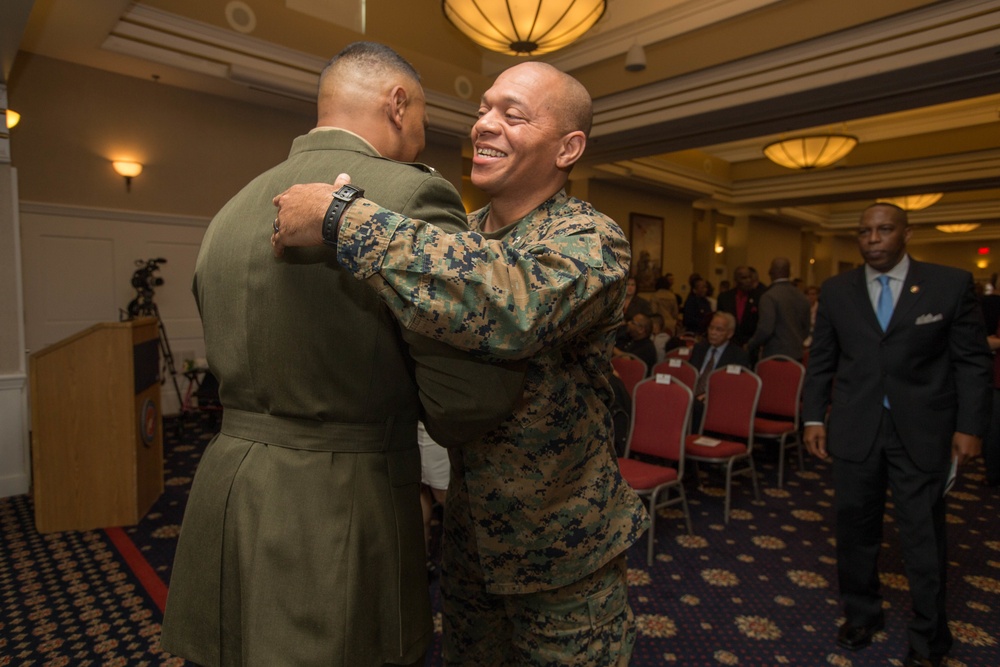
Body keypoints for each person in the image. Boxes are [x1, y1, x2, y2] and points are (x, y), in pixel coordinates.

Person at [270, 61, 647, 666]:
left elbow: (511, 307)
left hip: (564, 551)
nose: (485, 125)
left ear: (568, 148)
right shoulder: (456, 233)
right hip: (470, 541)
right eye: (483, 109)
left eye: (513, 114)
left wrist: (343, 218)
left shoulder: (592, 239)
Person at [160, 42, 524, 667]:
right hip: (341, 498)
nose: (421, 139)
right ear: (398, 104)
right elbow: (465, 400)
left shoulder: (232, 208)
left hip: (225, 487)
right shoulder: (411, 198)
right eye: (424, 122)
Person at [802, 202, 991, 667]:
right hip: (855, 430)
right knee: (855, 532)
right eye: (864, 231)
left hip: (923, 432)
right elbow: (822, 361)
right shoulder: (837, 290)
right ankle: (863, 615)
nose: (873, 239)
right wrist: (812, 418)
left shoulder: (949, 284)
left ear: (906, 233)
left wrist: (970, 427)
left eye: (884, 230)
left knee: (923, 537)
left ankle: (930, 638)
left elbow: (972, 362)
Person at [688, 311, 751, 427]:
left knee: (696, 406)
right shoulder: (699, 348)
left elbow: (736, 387)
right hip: (692, 394)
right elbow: (689, 375)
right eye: (711, 328)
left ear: (730, 333)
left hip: (716, 399)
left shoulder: (738, 355)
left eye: (719, 330)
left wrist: (710, 394)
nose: (713, 333)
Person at [746, 257, 811, 362]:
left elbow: (765, 329)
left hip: (775, 354)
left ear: (771, 272)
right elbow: (806, 328)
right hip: (797, 354)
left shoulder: (769, 296)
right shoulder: (801, 296)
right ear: (789, 273)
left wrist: (751, 344)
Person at [717, 265, 765, 347]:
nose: (748, 280)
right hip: (729, 344)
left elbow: (761, 324)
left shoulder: (759, 297)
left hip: (750, 345)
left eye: (750, 277)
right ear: (736, 280)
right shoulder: (724, 298)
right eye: (744, 278)